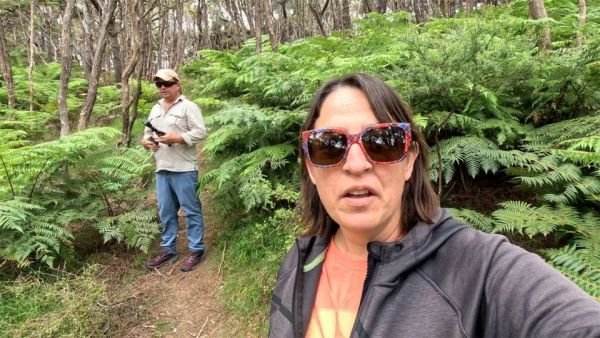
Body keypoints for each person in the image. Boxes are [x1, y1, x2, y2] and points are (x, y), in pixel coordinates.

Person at [269, 73, 600, 337]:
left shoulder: (476, 269)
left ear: (410, 160)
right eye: (330, 145)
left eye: (383, 142)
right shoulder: (300, 261)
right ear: (311, 166)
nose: (356, 164)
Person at [142, 68, 207, 272]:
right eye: (158, 84)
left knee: (191, 210)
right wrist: (147, 142)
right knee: (166, 212)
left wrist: (177, 138)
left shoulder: (189, 107)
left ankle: (196, 249)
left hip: (184, 168)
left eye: (167, 83)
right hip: (162, 168)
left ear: (177, 85)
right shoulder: (155, 109)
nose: (163, 87)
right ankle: (168, 249)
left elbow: (200, 132)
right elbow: (146, 133)